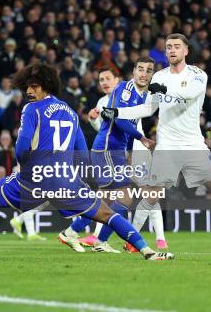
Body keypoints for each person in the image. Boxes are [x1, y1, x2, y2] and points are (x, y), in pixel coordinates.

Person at [0, 64, 173, 262]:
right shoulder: (71, 112)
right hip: (65, 180)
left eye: (34, 86)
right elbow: (82, 153)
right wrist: (77, 178)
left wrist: (26, 169)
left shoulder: (32, 109)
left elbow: (21, 149)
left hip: (33, 178)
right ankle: (148, 251)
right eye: (28, 87)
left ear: (45, 86)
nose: (29, 92)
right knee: (107, 214)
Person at [102, 33, 211, 253]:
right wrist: (118, 111)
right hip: (167, 144)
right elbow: (148, 109)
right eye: (168, 47)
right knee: (151, 193)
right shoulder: (159, 76)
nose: (172, 50)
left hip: (193, 143)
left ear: (186, 50)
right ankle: (131, 241)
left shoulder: (198, 75)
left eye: (177, 46)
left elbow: (189, 94)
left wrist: (165, 90)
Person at [60, 57, 158, 253]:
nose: (143, 73)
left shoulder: (140, 97)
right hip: (107, 148)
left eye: (148, 70)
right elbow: (119, 120)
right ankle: (95, 239)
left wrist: (129, 152)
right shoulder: (125, 89)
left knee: (105, 200)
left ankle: (76, 233)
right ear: (133, 71)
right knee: (125, 197)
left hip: (114, 150)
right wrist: (142, 138)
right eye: (140, 69)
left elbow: (129, 124)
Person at [78, 67, 120, 245]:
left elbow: (124, 125)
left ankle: (85, 232)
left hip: (133, 150)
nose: (104, 82)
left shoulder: (126, 97)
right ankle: (96, 237)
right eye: (101, 79)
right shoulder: (102, 102)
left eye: (108, 78)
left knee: (146, 195)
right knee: (112, 195)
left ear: (116, 80)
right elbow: (104, 131)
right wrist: (94, 120)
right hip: (110, 153)